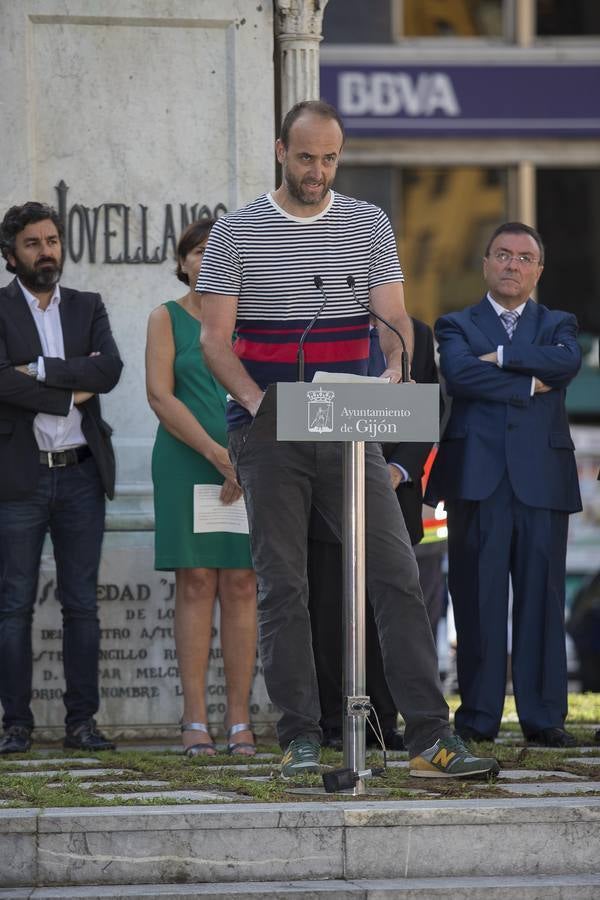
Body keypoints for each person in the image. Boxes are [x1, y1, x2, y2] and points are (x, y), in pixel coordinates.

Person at [196, 99, 498, 780]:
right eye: (306, 157)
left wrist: (393, 368)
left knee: (395, 575)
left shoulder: (368, 222)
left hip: (346, 422)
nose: (319, 171)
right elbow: (215, 341)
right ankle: (301, 737)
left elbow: (394, 320)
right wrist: (257, 401)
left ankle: (430, 738)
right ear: (281, 150)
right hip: (267, 428)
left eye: (330, 158)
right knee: (284, 586)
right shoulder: (237, 232)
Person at [426, 222, 582, 748]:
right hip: (478, 478)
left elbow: (567, 363)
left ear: (538, 269)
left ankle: (543, 718)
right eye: (502, 255)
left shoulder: (560, 321)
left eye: (524, 257)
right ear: (486, 263)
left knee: (542, 599)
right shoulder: (456, 324)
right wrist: (530, 384)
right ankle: (478, 716)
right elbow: (461, 376)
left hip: (542, 479)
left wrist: (503, 359)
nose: (512, 265)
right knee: (476, 599)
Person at [0, 201, 123, 754]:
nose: (46, 251)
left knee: (81, 604)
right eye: (33, 243)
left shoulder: (86, 306)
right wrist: (71, 389)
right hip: (18, 480)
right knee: (13, 604)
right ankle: (16, 725)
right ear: (11, 255)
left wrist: (42, 371)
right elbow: (2, 384)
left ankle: (81, 723)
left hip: (79, 475)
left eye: (51, 240)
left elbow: (110, 370)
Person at [146, 219, 257, 757]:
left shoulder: (253, 315)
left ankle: (239, 718)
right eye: (198, 250)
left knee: (241, 584)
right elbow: (160, 397)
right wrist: (219, 456)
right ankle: (193, 718)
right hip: (188, 463)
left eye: (218, 250)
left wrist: (243, 459)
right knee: (195, 583)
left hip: (250, 465)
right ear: (184, 260)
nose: (207, 257)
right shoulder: (165, 318)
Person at [308, 317, 444, 752]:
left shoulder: (415, 335)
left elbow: (429, 408)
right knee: (329, 606)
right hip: (326, 489)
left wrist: (398, 468)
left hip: (393, 489)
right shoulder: (317, 322)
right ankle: (333, 720)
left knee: (391, 605)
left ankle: (385, 720)